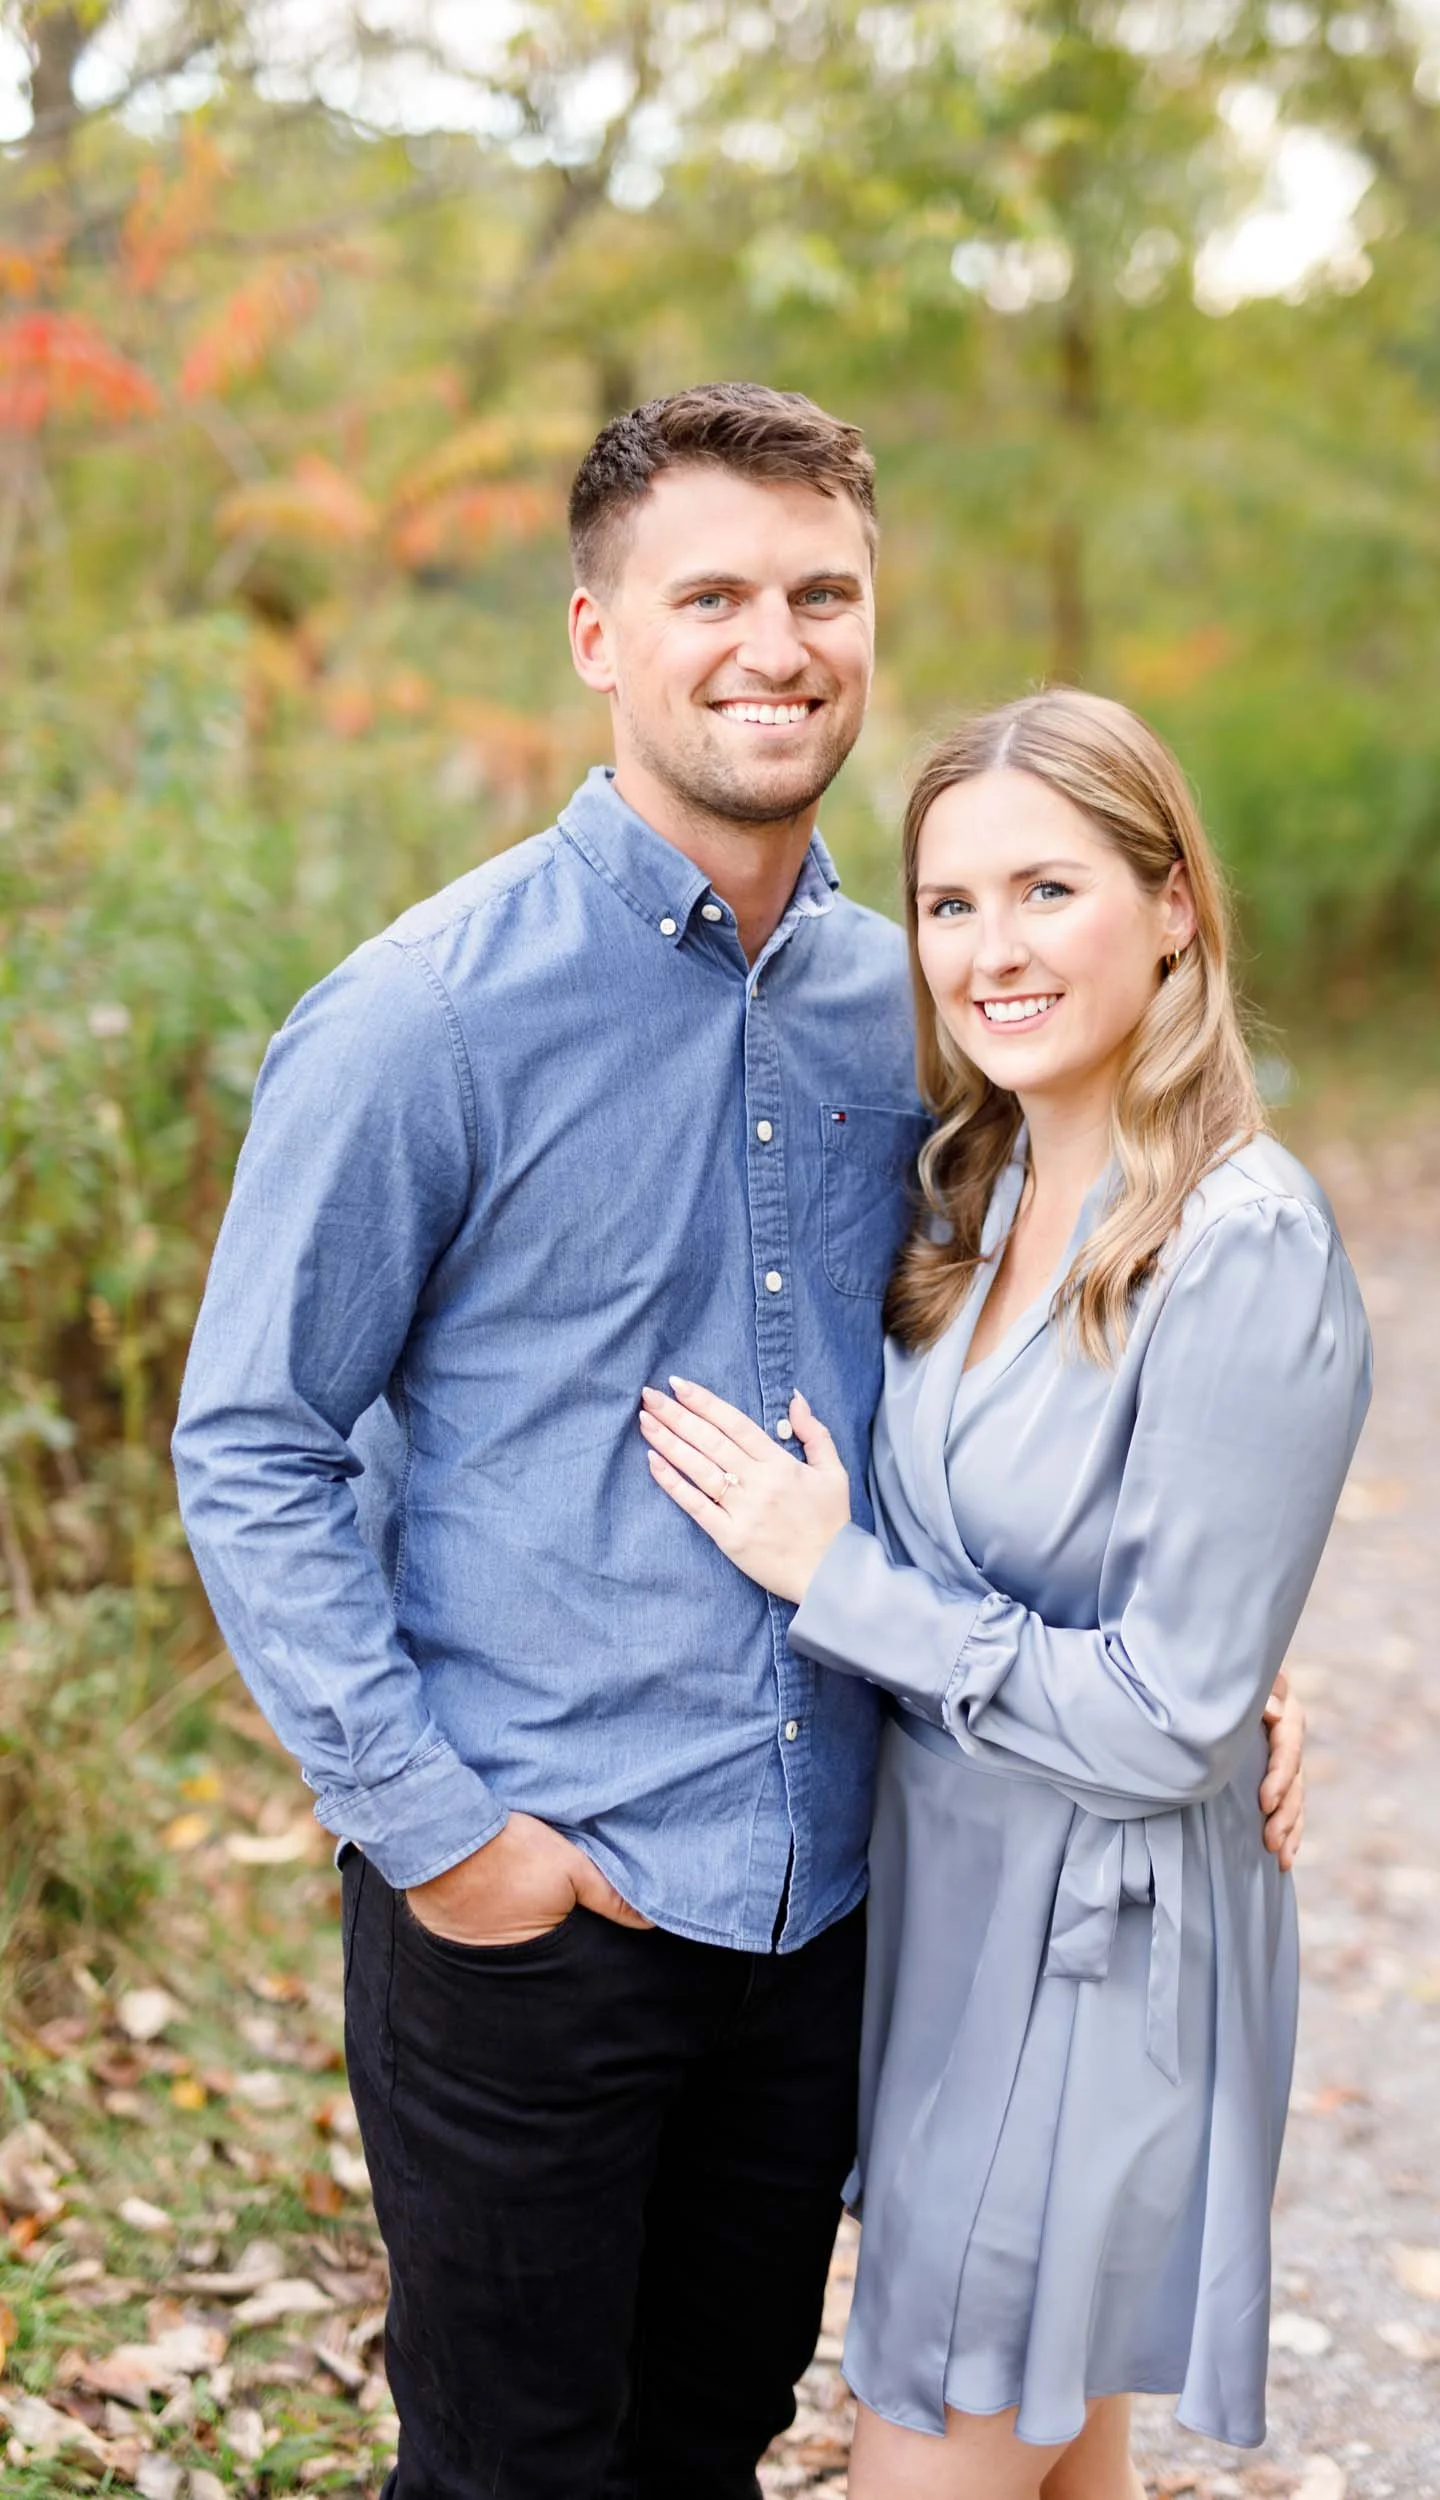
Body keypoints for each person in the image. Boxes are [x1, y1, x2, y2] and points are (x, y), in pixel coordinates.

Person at [172, 388, 1308, 2500]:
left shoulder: (928, 1008)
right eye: (709, 592)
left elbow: (1041, 1386)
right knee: (515, 2471)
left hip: (831, 1911)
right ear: (597, 632)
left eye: (819, 592)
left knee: (703, 2444)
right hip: (540, 1903)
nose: (770, 642)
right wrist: (436, 1832)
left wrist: (1206, 1649)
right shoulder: (425, 1013)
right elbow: (252, 1439)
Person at [641, 688, 1371, 2500]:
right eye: (952, 904)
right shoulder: (969, 1195)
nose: (990, 950)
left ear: (1174, 902)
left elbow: (1165, 1709)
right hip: (952, 1928)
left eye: (1047, 891)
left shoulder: (1239, 1242)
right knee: (1053, 2459)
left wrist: (839, 1580)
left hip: (1096, 1951)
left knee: (939, 2428)